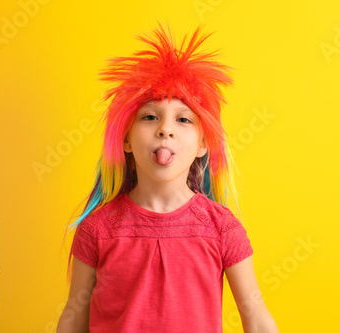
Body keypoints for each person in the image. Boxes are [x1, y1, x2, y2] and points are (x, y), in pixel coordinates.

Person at [57, 23, 279, 333]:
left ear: (203, 144)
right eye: (150, 116)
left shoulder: (222, 227)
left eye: (183, 119)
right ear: (126, 140)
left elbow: (255, 315)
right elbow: (74, 318)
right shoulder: (97, 229)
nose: (166, 129)